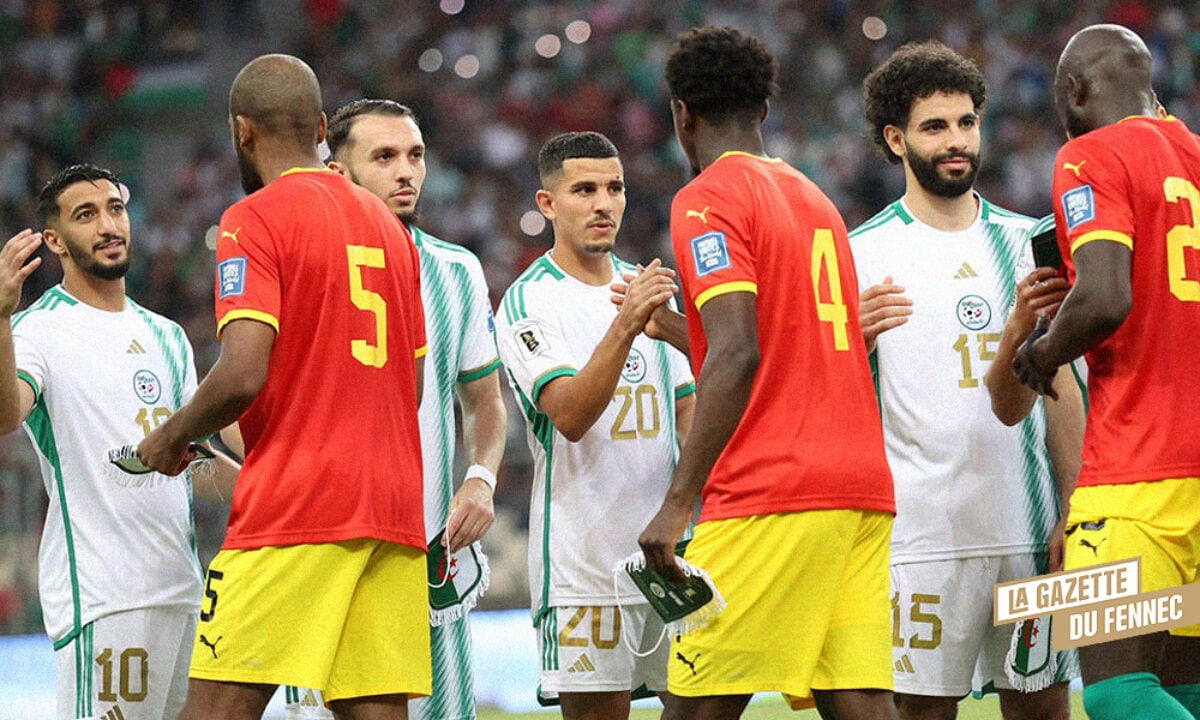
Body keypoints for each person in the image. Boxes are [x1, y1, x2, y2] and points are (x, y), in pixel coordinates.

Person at [137, 54, 429, 720]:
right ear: (323, 126)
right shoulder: (392, 229)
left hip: (299, 503)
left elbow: (242, 372)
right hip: (391, 503)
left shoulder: (253, 220)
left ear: (242, 131)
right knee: (375, 710)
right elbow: (407, 385)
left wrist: (172, 434)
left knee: (214, 707)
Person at [638, 26, 896, 720]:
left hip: (771, 488)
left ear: (682, 113)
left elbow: (739, 352)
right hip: (860, 487)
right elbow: (786, 348)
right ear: (764, 111)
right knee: (861, 699)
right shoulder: (815, 200)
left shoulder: (707, 199)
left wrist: (677, 500)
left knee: (695, 703)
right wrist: (679, 331)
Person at [851, 42, 1082, 720]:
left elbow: (1061, 384)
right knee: (922, 712)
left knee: (1045, 709)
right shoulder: (859, 254)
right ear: (895, 139)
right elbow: (835, 406)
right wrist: (847, 345)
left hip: (1030, 526)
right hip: (920, 538)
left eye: (966, 122)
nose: (956, 141)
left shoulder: (1030, 241)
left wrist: (1076, 505)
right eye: (935, 127)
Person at [275, 98, 505, 720]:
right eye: (384, 157)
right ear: (340, 171)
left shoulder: (457, 271)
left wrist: (481, 478)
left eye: (415, 155)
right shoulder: (300, 263)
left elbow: (485, 399)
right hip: (329, 545)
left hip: (430, 554)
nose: (406, 171)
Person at [0, 163, 238, 720]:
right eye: (87, 215)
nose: (109, 225)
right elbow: (7, 414)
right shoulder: (36, 330)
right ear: (55, 240)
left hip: (183, 593)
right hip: (105, 599)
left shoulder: (167, 336)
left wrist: (271, 495)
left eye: (115, 208)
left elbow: (194, 464)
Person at [1014, 23, 1200, 720]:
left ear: (1075, 89)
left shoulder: (1091, 155)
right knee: (1183, 687)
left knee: (1118, 693)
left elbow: (1103, 296)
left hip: (1138, 470)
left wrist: (1041, 351)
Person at [494, 130, 695, 720]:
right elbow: (571, 415)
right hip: (584, 567)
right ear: (548, 204)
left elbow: (688, 412)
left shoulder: (644, 286)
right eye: (584, 189)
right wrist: (628, 324)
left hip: (672, 557)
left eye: (614, 188)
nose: (604, 203)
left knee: (704, 705)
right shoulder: (530, 301)